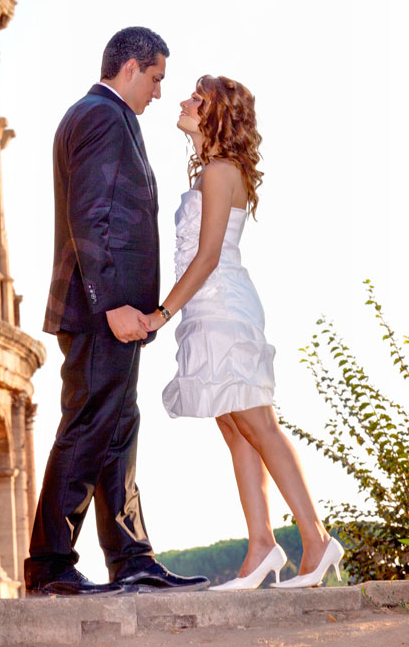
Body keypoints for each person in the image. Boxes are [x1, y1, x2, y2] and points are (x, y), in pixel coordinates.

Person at [24, 27, 208, 596]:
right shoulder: (102, 117)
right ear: (130, 67)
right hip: (103, 310)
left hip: (109, 311)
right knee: (88, 426)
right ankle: (50, 564)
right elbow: (92, 218)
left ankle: (131, 556)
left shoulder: (101, 117)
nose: (158, 93)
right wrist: (111, 306)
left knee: (115, 428)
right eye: (155, 78)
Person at [145, 75, 344, 590]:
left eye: (196, 99)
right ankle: (261, 545)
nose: (184, 102)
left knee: (258, 422)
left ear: (216, 115)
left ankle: (316, 540)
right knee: (235, 427)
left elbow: (208, 256)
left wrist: (160, 314)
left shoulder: (218, 171)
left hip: (222, 307)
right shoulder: (215, 171)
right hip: (208, 309)